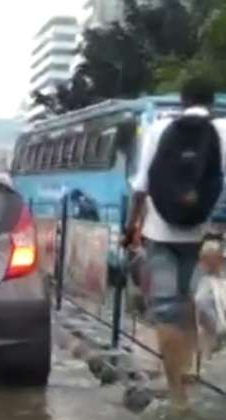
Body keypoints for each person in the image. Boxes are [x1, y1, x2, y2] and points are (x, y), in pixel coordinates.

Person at [123, 77, 226, 412]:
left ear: (182, 101)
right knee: (195, 303)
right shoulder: (223, 130)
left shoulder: (159, 127)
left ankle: (178, 395)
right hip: (205, 234)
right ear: (211, 102)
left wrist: (131, 226)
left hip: (161, 233)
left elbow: (141, 185)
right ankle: (194, 372)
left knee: (167, 310)